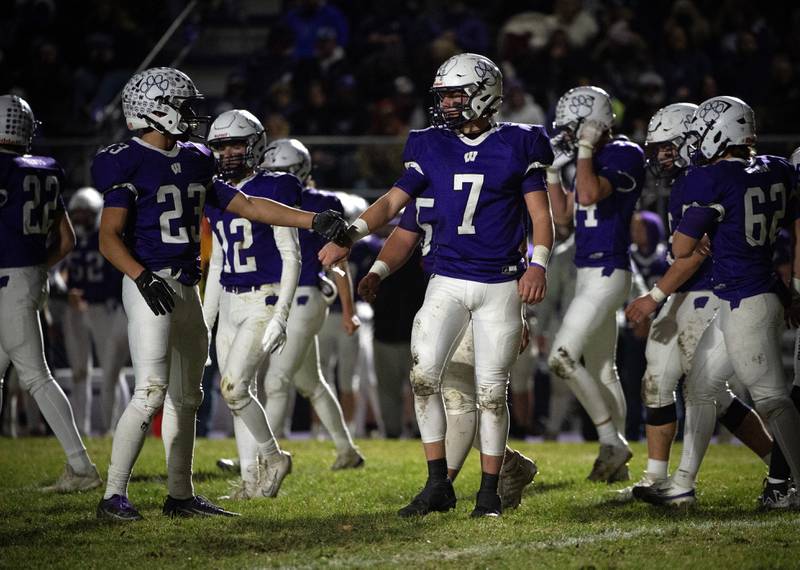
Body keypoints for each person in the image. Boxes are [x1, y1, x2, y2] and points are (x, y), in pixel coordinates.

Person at [92, 67, 347, 521]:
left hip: (187, 284)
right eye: (183, 106)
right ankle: (113, 494)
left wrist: (311, 220)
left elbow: (247, 205)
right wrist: (139, 276)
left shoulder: (194, 158)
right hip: (148, 282)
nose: (192, 115)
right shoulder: (123, 159)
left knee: (190, 396)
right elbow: (108, 235)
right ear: (156, 111)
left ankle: (181, 495)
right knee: (150, 389)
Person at [320, 53, 554, 517]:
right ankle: (437, 485)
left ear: (483, 94)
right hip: (446, 278)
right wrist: (351, 236)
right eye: (443, 95)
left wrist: (539, 264)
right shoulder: (430, 146)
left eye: (455, 94)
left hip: (500, 280)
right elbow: (391, 204)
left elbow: (540, 215)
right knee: (424, 376)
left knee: (490, 391)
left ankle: (488, 493)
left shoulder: (519, 143)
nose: (446, 103)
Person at [635, 96, 800, 507]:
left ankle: (791, 481)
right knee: (703, 386)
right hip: (748, 293)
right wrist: (795, 285)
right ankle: (683, 483)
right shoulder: (777, 168)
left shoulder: (711, 178)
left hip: (747, 298)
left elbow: (681, 246)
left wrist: (697, 226)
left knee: (774, 400)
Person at [358, 199, 539, 511]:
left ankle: (452, 485)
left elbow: (517, 248)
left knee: (474, 394)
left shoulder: (489, 173)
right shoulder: (433, 172)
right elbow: (404, 231)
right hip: (445, 294)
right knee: (451, 391)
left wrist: (517, 309)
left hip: (488, 292)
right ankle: (486, 471)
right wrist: (377, 271)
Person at [0, 94, 102, 492]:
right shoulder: (45, 170)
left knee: (36, 377)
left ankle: (81, 467)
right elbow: (67, 239)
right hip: (29, 277)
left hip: (10, 280)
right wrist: (38, 269)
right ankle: (80, 467)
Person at [545, 86, 645, 482]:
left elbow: (587, 194)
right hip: (587, 271)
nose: (570, 135)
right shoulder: (591, 157)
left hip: (608, 271)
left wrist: (584, 152)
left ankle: (611, 441)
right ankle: (617, 466)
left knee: (561, 357)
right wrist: (553, 171)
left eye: (575, 128)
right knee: (604, 371)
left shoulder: (624, 153)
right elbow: (564, 215)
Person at [201, 111, 301, 500]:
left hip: (264, 297)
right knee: (241, 396)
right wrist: (206, 322)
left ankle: (273, 458)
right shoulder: (215, 193)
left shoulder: (276, 185)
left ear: (255, 144)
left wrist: (282, 313)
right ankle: (250, 482)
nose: (227, 153)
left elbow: (291, 254)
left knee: (234, 388)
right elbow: (220, 261)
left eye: (235, 144)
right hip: (229, 301)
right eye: (221, 146)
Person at [259, 138, 363, 469]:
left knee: (276, 382)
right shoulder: (261, 203)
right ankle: (347, 452)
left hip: (305, 297)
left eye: (281, 173)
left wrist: (349, 310)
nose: (275, 180)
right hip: (282, 299)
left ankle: (261, 459)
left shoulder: (322, 203)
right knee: (311, 383)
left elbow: (340, 263)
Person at [62, 187, 131, 435]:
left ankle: (119, 425)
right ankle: (81, 427)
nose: (80, 218)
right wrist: (64, 292)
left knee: (111, 369)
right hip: (76, 308)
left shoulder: (106, 235)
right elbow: (55, 272)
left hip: (103, 308)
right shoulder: (68, 238)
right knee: (79, 370)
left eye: (85, 213)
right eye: (76, 213)